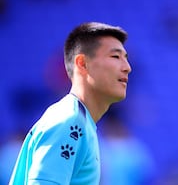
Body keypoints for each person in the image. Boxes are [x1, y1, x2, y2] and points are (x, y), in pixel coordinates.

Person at [9, 21, 132, 184]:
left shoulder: (82, 122)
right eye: (115, 56)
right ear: (82, 64)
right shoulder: (70, 122)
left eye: (126, 58)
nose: (127, 67)